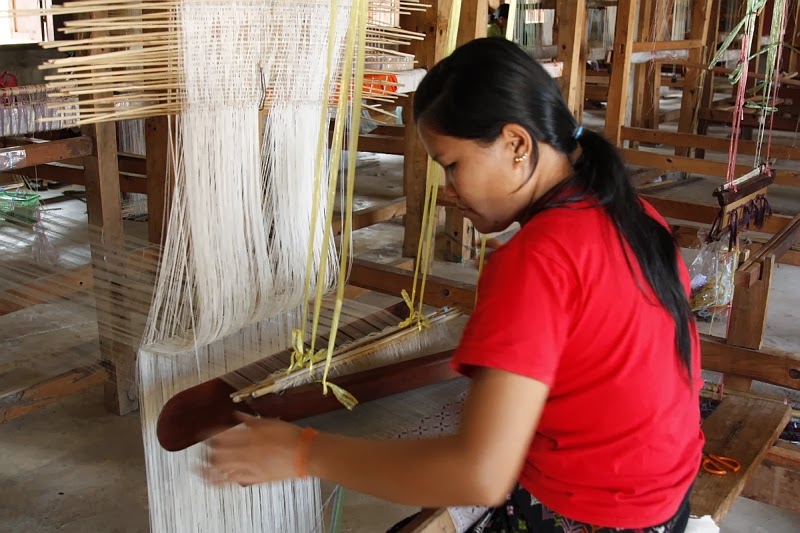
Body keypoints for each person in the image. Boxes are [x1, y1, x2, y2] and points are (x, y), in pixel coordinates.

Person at [202, 38, 705, 532]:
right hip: (663, 503)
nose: (449, 190)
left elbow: (479, 476)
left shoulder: (537, 259)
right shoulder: (632, 213)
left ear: (516, 144)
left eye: (452, 165)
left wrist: (301, 451)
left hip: (594, 517)